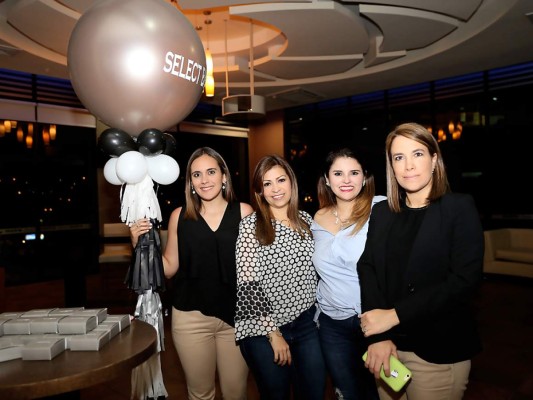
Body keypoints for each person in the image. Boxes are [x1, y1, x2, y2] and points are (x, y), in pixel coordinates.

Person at [357, 123, 484, 400]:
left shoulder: (458, 208)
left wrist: (393, 316)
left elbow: (464, 281)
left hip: (437, 351)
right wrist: (378, 336)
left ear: (434, 159)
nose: (408, 166)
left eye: (417, 154)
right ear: (391, 166)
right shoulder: (382, 212)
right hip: (386, 349)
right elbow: (367, 268)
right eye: (398, 158)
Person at [131, 147, 253, 400]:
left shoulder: (243, 212)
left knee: (236, 393)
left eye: (211, 172)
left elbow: (254, 272)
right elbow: (168, 269)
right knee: (200, 394)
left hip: (237, 318)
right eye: (196, 175)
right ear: (190, 183)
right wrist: (140, 246)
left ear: (224, 177)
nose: (204, 180)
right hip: (191, 319)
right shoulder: (179, 216)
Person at [234, 154, 326, 400]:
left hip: (306, 324)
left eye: (281, 180)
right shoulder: (250, 226)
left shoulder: (307, 221)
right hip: (264, 329)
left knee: (314, 392)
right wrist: (273, 333)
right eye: (267, 183)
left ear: (291, 183)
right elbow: (247, 285)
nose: (276, 189)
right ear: (260, 192)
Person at [311, 147, 385, 400]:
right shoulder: (318, 218)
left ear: (364, 177)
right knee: (347, 392)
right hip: (332, 324)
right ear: (327, 180)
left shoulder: (381, 209)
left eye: (353, 173)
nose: (346, 180)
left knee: (381, 391)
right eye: (338, 173)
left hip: (373, 321)